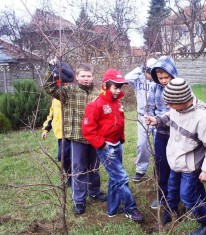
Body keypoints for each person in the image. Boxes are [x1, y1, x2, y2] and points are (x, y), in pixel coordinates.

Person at [145, 78, 206, 235]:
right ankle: (171, 213)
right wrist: (157, 120)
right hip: (176, 161)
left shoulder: (202, 118)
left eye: (171, 103)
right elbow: (169, 116)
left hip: (191, 165)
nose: (168, 106)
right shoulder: (177, 109)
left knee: (187, 195)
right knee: (172, 189)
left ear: (183, 100)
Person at [81, 69, 145, 222]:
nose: (118, 90)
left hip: (117, 144)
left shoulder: (117, 103)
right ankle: (130, 208)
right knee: (122, 178)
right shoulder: (96, 104)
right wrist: (102, 145)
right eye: (115, 87)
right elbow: (87, 130)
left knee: (115, 178)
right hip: (106, 147)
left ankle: (112, 209)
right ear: (105, 85)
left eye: (120, 87)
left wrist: (120, 139)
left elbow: (119, 122)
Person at [44, 60, 107, 215]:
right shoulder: (68, 92)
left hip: (95, 138)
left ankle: (94, 191)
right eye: (83, 75)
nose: (86, 78)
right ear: (76, 77)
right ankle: (79, 200)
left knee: (94, 167)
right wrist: (53, 70)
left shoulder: (98, 93)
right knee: (78, 169)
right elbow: (49, 88)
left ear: (93, 77)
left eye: (89, 75)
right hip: (77, 137)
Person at [147, 56, 178, 209]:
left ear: (173, 74)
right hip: (160, 133)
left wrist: (161, 119)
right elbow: (150, 107)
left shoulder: (180, 86)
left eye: (166, 77)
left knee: (178, 165)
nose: (164, 80)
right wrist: (150, 120)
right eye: (160, 78)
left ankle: (177, 195)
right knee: (161, 165)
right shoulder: (154, 88)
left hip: (177, 133)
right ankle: (162, 196)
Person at [125, 58, 157, 182]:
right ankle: (141, 169)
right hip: (143, 116)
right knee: (142, 144)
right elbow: (127, 78)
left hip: (156, 116)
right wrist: (140, 69)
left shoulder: (158, 80)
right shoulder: (138, 79)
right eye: (150, 71)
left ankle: (158, 169)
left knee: (158, 144)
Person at [41, 98, 71, 187]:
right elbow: (51, 116)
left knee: (70, 156)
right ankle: (70, 178)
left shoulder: (71, 96)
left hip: (71, 134)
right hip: (60, 135)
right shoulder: (55, 100)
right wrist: (45, 130)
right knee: (63, 157)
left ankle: (76, 178)